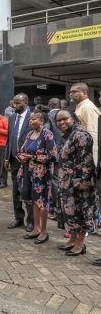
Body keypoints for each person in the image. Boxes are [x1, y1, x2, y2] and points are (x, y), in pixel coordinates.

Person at [55, 110, 99, 257]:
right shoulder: (67, 136)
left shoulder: (81, 135)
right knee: (71, 213)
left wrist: (85, 181)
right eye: (58, 120)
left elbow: (86, 160)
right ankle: (72, 240)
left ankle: (80, 244)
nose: (62, 122)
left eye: (65, 119)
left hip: (78, 183)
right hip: (66, 182)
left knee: (80, 212)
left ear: (73, 118)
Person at [17, 109, 58, 244]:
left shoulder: (47, 135)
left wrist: (32, 157)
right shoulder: (29, 134)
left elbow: (53, 156)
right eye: (30, 119)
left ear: (42, 121)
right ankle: (36, 228)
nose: (31, 121)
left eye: (34, 119)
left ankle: (44, 231)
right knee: (34, 200)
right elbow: (23, 150)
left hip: (42, 174)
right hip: (29, 172)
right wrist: (21, 156)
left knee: (42, 202)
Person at [5, 93, 34, 232]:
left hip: (29, 161)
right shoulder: (11, 117)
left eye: (17, 103)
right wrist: (6, 157)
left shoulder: (34, 117)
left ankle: (31, 220)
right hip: (14, 160)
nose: (14, 105)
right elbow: (9, 139)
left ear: (26, 102)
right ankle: (18, 218)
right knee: (16, 191)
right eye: (13, 103)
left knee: (27, 190)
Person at [70, 82, 100, 164]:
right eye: (70, 92)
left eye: (74, 92)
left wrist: (92, 154)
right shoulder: (80, 106)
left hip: (90, 150)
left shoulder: (87, 107)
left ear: (85, 93)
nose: (71, 94)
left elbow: (93, 132)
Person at [47, 98, 62, 221]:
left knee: (54, 181)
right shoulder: (65, 115)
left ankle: (57, 209)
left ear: (50, 105)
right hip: (65, 153)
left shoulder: (49, 116)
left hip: (53, 154)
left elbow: (46, 134)